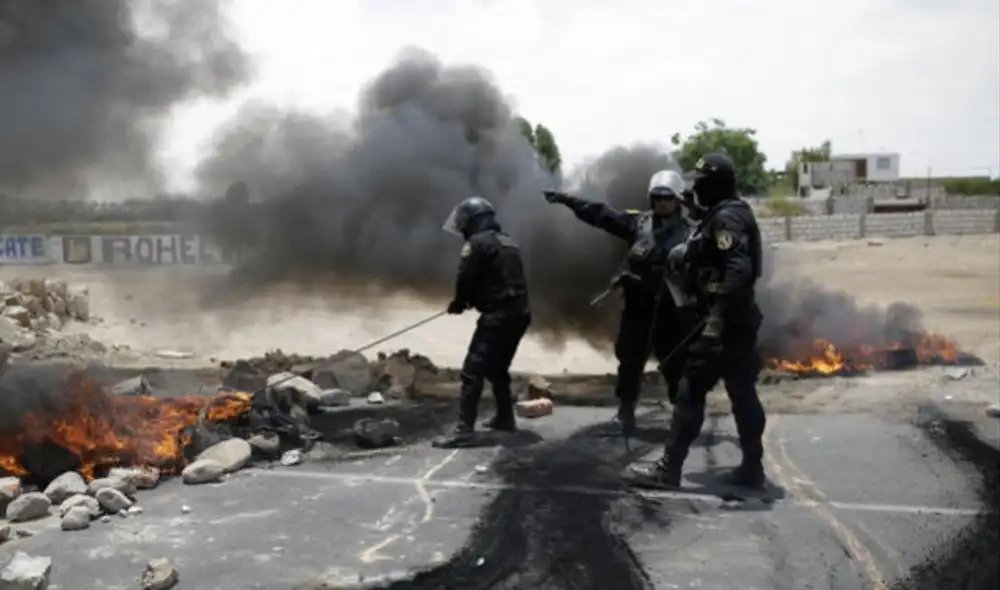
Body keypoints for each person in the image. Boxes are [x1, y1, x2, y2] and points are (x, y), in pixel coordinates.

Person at [625, 152, 768, 491]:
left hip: (722, 324)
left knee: (690, 393)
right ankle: (752, 469)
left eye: (700, 183)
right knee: (743, 393)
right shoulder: (729, 212)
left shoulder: (727, 219)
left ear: (714, 185)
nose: (696, 188)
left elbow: (738, 271)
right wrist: (697, 210)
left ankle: (668, 469)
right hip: (740, 321)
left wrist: (715, 321)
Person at [542, 169, 696, 435]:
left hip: (672, 310)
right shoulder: (639, 223)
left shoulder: (693, 232)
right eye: (657, 197)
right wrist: (569, 201)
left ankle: (682, 414)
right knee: (630, 361)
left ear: (678, 199)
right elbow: (602, 215)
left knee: (676, 364)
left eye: (667, 197)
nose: (662, 202)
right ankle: (625, 413)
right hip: (639, 307)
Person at [432, 196, 532, 449]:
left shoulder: (476, 244)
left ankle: (464, 431)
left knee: (472, 371)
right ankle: (505, 418)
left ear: (473, 221)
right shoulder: (508, 241)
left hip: (498, 317)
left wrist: (458, 303)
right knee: (498, 369)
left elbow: (465, 278)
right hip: (519, 314)